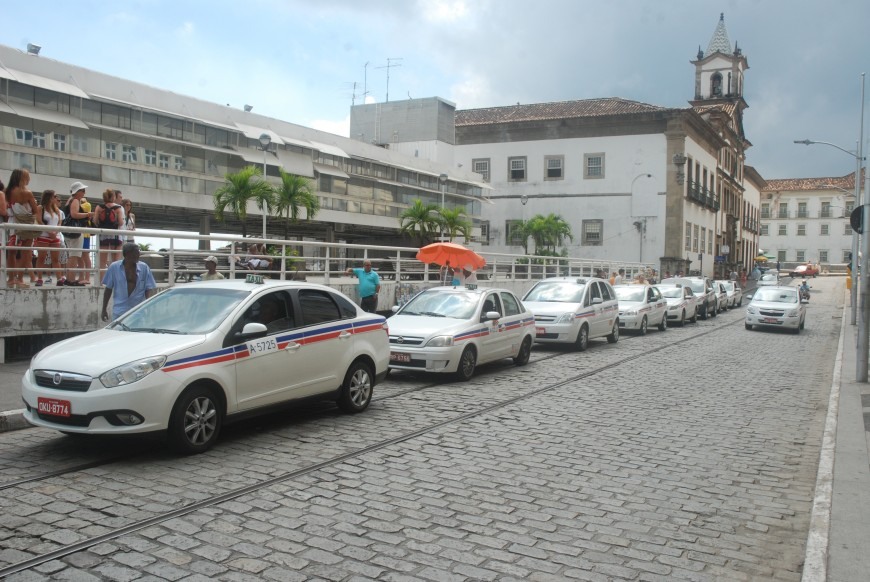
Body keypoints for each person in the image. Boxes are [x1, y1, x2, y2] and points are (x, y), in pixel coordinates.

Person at [101, 242, 157, 322]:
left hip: (139, 313)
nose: (138, 255)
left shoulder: (144, 268)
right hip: (120, 312)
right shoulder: (114, 267)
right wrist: (104, 309)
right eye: (136, 253)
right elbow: (108, 289)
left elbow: (148, 289)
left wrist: (148, 309)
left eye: (138, 253)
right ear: (127, 254)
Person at [6, 169, 40, 288]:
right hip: (26, 225)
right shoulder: (27, 193)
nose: (29, 179)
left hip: (12, 224)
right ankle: (19, 278)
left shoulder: (7, 191)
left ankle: (11, 278)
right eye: (28, 177)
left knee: (12, 253)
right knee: (25, 253)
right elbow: (35, 210)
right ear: (23, 178)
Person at [63, 181, 93, 286]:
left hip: (68, 231)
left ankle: (69, 278)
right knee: (74, 255)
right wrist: (87, 214)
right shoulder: (75, 200)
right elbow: (74, 214)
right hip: (75, 231)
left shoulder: (69, 200)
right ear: (77, 192)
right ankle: (71, 279)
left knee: (71, 255)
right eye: (82, 190)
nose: (84, 193)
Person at [34, 190, 63, 287]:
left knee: (56, 259)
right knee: (41, 258)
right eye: (54, 196)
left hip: (55, 236)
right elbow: (39, 220)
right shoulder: (40, 208)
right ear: (49, 197)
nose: (56, 198)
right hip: (43, 235)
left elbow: (59, 222)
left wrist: (55, 232)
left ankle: (59, 279)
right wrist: (49, 231)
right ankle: (39, 278)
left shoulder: (56, 209)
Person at [96, 188, 124, 278]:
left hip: (103, 235)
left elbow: (95, 221)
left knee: (102, 260)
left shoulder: (99, 207)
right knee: (115, 261)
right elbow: (121, 223)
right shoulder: (118, 208)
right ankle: (115, 280)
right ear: (113, 197)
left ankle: (101, 281)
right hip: (115, 235)